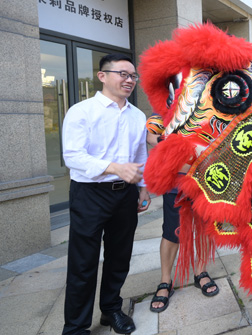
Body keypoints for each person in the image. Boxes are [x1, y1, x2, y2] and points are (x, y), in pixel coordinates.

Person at [62, 54, 150, 335]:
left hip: (125, 195)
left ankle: (111, 310)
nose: (129, 80)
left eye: (133, 76)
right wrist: (113, 168)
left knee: (119, 257)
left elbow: (140, 155)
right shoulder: (81, 111)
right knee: (83, 262)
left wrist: (143, 187)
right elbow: (72, 156)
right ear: (102, 76)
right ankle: (76, 327)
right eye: (123, 74)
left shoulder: (137, 116)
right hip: (89, 194)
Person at [146, 114, 219, 314]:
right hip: (175, 181)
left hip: (205, 177)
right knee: (172, 232)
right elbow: (151, 135)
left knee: (204, 229)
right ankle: (165, 281)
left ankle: (200, 272)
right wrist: (169, 141)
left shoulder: (207, 107)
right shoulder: (167, 109)